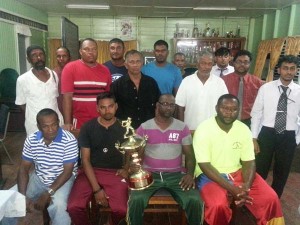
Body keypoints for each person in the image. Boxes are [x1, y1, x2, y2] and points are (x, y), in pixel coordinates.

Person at [194, 94, 284, 225]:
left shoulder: (243, 129)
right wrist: (234, 190)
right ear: (216, 108)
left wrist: (245, 188)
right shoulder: (203, 129)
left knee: (271, 198)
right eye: (225, 108)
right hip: (210, 175)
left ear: (238, 110)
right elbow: (205, 165)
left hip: (238, 173)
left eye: (234, 109)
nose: (229, 113)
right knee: (217, 205)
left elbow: (249, 161)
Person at [127, 94, 203, 225]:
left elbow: (190, 156)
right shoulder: (145, 127)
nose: (169, 107)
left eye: (172, 105)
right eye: (165, 104)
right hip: (150, 176)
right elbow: (133, 152)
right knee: (136, 199)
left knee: (195, 199)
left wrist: (190, 174)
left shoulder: (182, 127)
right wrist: (132, 166)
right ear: (157, 105)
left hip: (176, 176)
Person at [67, 92, 129, 225]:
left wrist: (126, 168)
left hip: (115, 173)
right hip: (90, 171)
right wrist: (97, 190)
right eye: (103, 107)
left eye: (110, 106)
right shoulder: (88, 127)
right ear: (97, 108)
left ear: (116, 106)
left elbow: (131, 153)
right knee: (73, 207)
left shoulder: (125, 127)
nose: (107, 110)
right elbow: (85, 160)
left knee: (121, 210)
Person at [17, 108, 78, 225]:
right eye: (45, 126)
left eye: (54, 125)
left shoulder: (69, 140)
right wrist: (22, 197)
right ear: (39, 126)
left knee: (59, 206)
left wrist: (47, 193)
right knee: (12, 200)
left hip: (63, 179)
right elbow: (23, 168)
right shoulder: (31, 139)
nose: (51, 130)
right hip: (39, 177)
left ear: (59, 122)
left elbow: (67, 172)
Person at [251, 55, 300, 198]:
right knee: (260, 169)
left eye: (292, 69)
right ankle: (255, 197)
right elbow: (256, 113)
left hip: (289, 135)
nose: (288, 72)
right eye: (285, 68)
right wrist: (254, 137)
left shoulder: (299, 91)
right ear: (279, 69)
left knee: (282, 171)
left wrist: (297, 139)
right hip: (267, 133)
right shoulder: (266, 88)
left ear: (296, 70)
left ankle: (274, 199)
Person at [61, 38, 112, 130]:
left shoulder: (105, 70)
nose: (90, 52)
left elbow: (107, 98)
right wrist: (68, 123)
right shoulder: (70, 68)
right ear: (80, 51)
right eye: (87, 49)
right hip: (79, 122)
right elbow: (67, 98)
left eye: (94, 49)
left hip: (100, 122)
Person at [15, 45, 64, 136]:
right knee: (38, 149)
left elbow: (55, 99)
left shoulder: (53, 75)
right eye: (34, 55)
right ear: (28, 59)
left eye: (41, 54)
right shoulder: (22, 80)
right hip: (35, 126)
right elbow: (21, 104)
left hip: (56, 124)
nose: (39, 58)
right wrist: (35, 117)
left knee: (57, 149)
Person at [176, 50, 228, 132]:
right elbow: (180, 107)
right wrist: (183, 129)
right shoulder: (187, 81)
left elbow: (225, 106)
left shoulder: (219, 82)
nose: (206, 67)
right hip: (191, 129)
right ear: (197, 64)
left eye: (209, 64)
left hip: (213, 130)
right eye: (203, 63)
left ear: (213, 65)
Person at [110, 50, 160, 129]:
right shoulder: (117, 85)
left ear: (142, 64)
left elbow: (158, 104)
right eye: (132, 62)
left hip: (149, 128)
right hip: (125, 129)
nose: (135, 65)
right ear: (126, 65)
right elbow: (112, 107)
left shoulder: (151, 83)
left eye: (138, 61)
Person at [222, 50, 264, 127]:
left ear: (250, 64)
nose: (242, 64)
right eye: (239, 61)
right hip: (226, 120)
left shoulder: (258, 83)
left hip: (249, 122)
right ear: (233, 63)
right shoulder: (223, 81)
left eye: (246, 62)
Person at [53, 47, 71, 112]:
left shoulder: (75, 72)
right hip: (58, 110)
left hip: (74, 109)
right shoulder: (53, 74)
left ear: (69, 57)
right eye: (58, 56)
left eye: (64, 56)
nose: (61, 59)